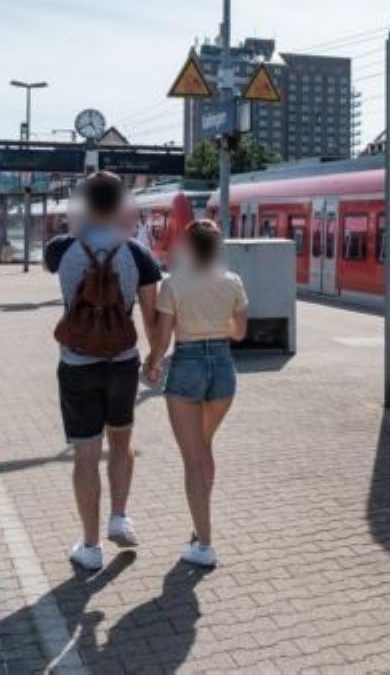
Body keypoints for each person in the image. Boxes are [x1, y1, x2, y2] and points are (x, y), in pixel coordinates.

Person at [44, 172, 162, 572]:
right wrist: (154, 358)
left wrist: (78, 225)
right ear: (120, 204)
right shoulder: (138, 254)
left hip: (77, 364)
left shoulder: (61, 249)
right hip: (122, 363)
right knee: (122, 441)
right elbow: (152, 318)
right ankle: (119, 517)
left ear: (84, 203)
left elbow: (47, 262)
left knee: (86, 454)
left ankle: (91, 547)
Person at [143, 220, 248, 568]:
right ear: (218, 247)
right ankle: (200, 525)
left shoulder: (174, 283)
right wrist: (215, 324)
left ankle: (204, 544)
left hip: (187, 366)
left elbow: (163, 338)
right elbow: (239, 333)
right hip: (223, 368)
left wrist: (152, 364)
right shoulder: (232, 282)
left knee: (192, 459)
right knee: (204, 448)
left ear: (188, 246)